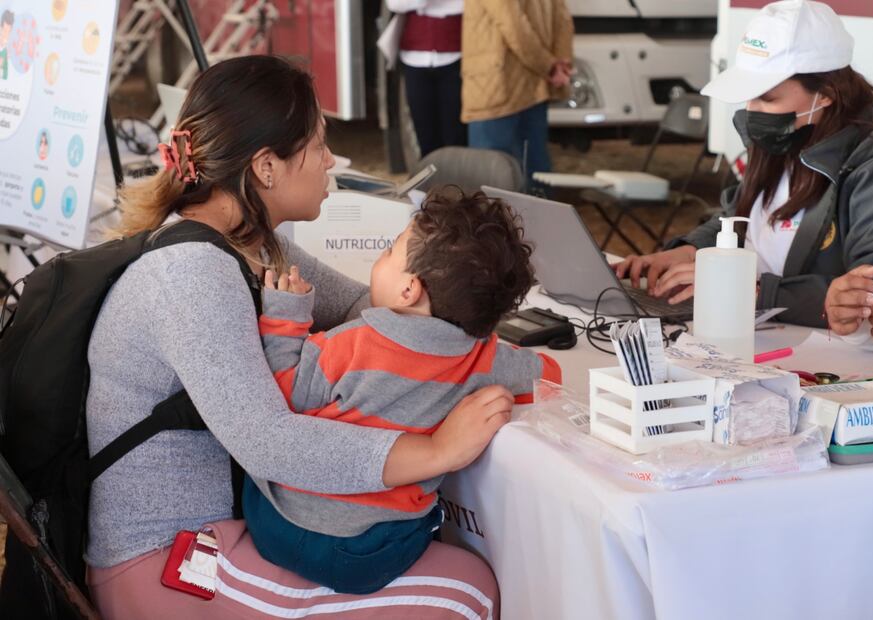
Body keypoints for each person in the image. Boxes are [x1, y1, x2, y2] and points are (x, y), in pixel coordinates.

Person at [85, 55, 506, 619]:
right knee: (466, 588)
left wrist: (448, 304)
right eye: (318, 145)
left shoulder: (251, 243)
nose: (331, 161)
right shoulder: (192, 274)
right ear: (265, 167)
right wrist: (434, 451)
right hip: (166, 563)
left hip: (223, 534)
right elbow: (270, 442)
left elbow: (366, 305)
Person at [246, 189, 561, 594]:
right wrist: (496, 353)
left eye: (388, 251)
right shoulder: (485, 361)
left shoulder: (347, 344)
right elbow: (549, 376)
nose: (380, 259)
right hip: (376, 553)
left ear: (409, 290)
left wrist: (283, 320)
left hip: (279, 527)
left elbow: (285, 393)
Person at [615, 0, 873, 328]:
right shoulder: (784, 138)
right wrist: (691, 251)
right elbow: (740, 221)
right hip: (753, 333)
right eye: (749, 96)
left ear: (826, 94)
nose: (752, 110)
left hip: (827, 358)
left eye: (767, 98)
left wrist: (756, 293)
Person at [461, 0, 573, 187]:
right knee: (535, 174)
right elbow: (562, 18)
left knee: (490, 181)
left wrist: (551, 66)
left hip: (494, 88)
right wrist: (559, 63)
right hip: (534, 86)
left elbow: (512, 23)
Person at [386, 0, 467, 157]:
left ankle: (455, 181)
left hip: (455, 56)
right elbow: (394, 4)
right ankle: (433, 181)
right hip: (414, 60)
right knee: (425, 137)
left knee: (455, 137)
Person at [0, 10, 13, 81]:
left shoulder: (6, 51)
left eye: (9, 32)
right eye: (4, 30)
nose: (6, 35)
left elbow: (4, 76)